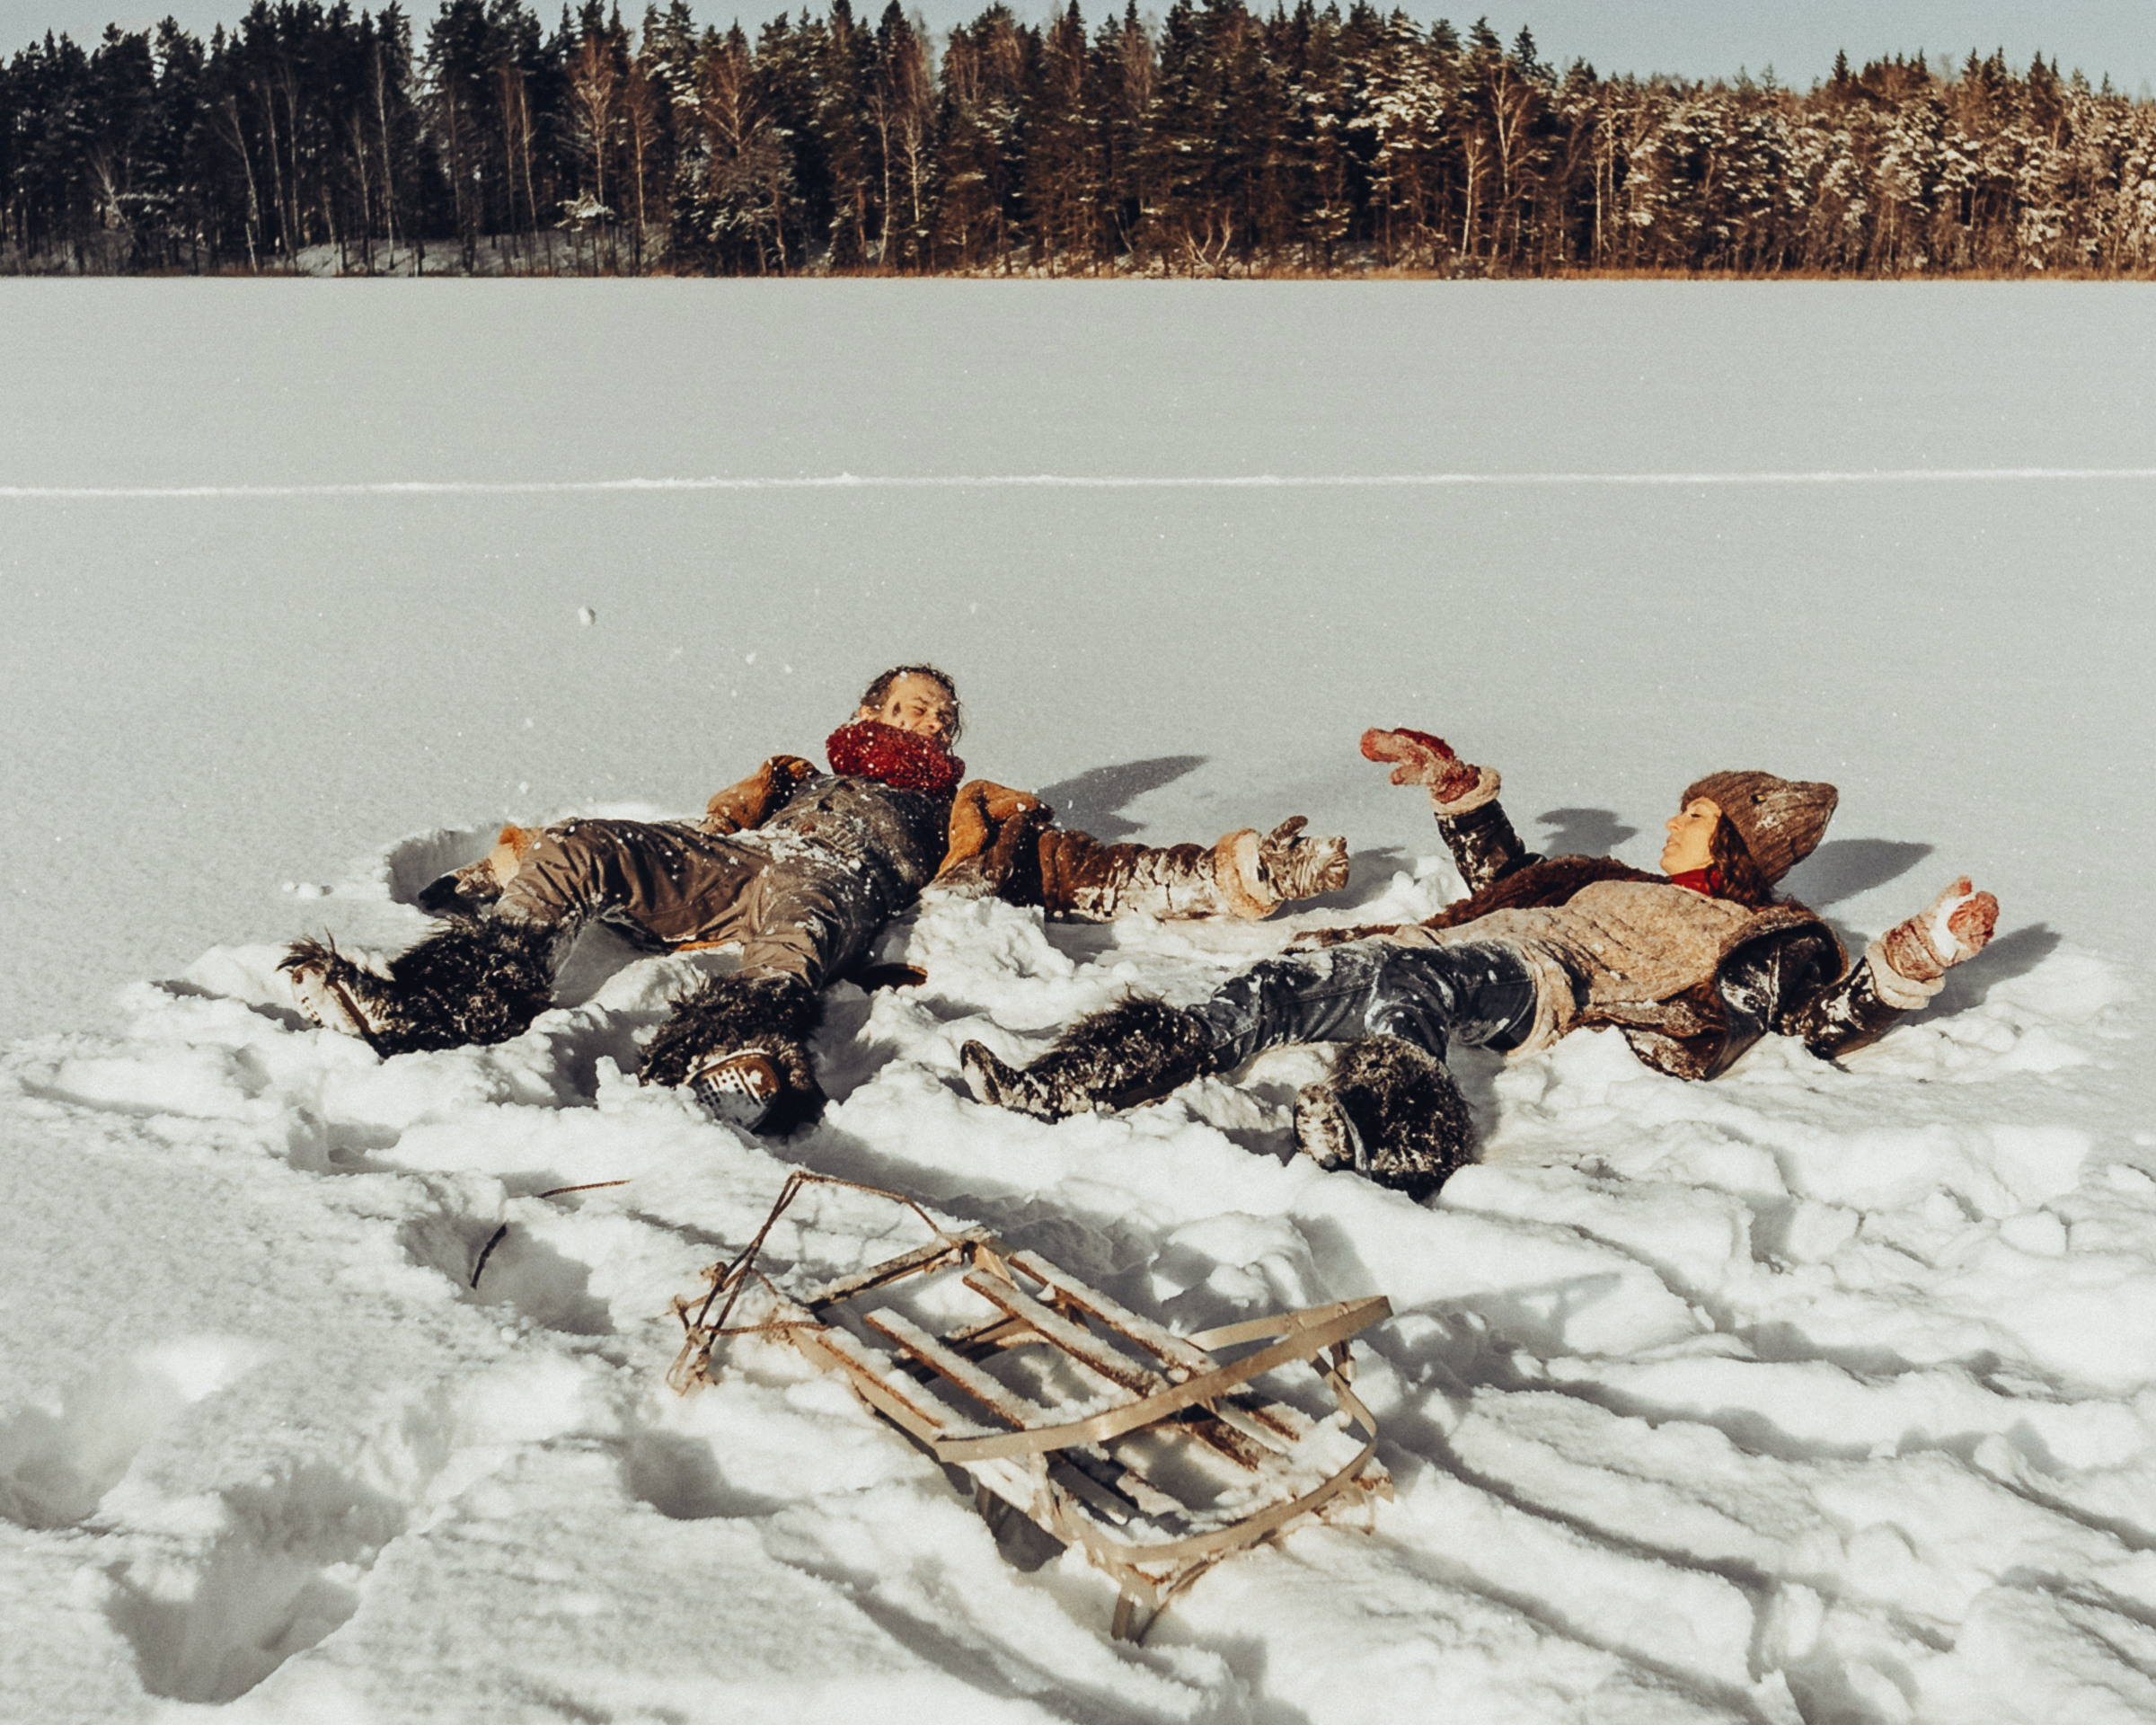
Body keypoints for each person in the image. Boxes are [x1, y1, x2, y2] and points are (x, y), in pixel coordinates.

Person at [284, 666, 1348, 1133]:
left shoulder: (967, 809)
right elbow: (696, 833)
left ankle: (735, 1060)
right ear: (868, 712)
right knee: (585, 845)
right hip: (738, 859)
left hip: (836, 880)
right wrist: (501, 872)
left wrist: (1246, 871)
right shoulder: (792, 777)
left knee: (799, 920)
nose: (933, 725)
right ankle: (439, 1005)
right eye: (915, 709)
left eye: (944, 718)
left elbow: (1105, 873)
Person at [959, 727, 2000, 1198]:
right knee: (1269, 988)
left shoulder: (1757, 933)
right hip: (1454, 945)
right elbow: (1507, 878)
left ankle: (1406, 1138)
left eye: (1692, 817)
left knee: (1412, 988)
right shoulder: (1607, 873)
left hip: (1536, 984)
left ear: (1738, 842)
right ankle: (1070, 1080)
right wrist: (1455, 788)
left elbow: (1818, 1022)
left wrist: (1918, 954)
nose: (1670, 826)